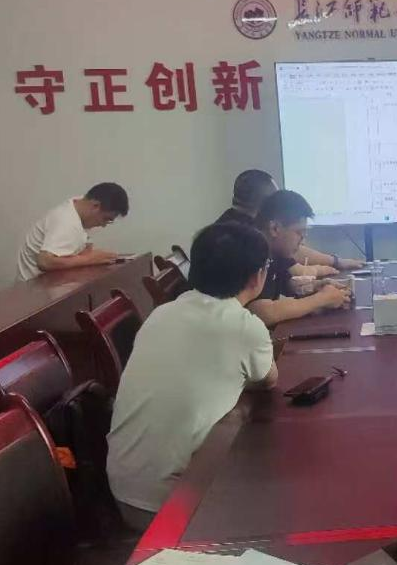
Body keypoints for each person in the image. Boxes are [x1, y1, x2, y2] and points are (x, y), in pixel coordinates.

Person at [107, 223, 279, 529]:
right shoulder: (243, 326)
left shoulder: (161, 313)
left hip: (122, 489)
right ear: (257, 276)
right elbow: (268, 380)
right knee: (277, 487)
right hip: (170, 505)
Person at [217, 169, 364, 274]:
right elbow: (297, 267)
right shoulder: (248, 239)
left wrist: (335, 262)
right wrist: (333, 265)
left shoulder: (225, 224)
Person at [248, 190, 352, 327]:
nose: (302, 241)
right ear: (274, 228)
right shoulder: (250, 251)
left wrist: (315, 286)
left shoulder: (276, 251)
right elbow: (259, 313)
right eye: (299, 232)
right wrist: (321, 299)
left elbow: (287, 284)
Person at [16, 182, 129, 281]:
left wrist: (97, 257)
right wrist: (91, 259)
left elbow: (84, 247)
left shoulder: (81, 206)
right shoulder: (66, 221)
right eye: (106, 219)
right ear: (95, 206)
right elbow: (44, 261)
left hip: (54, 280)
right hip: (34, 287)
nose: (103, 225)